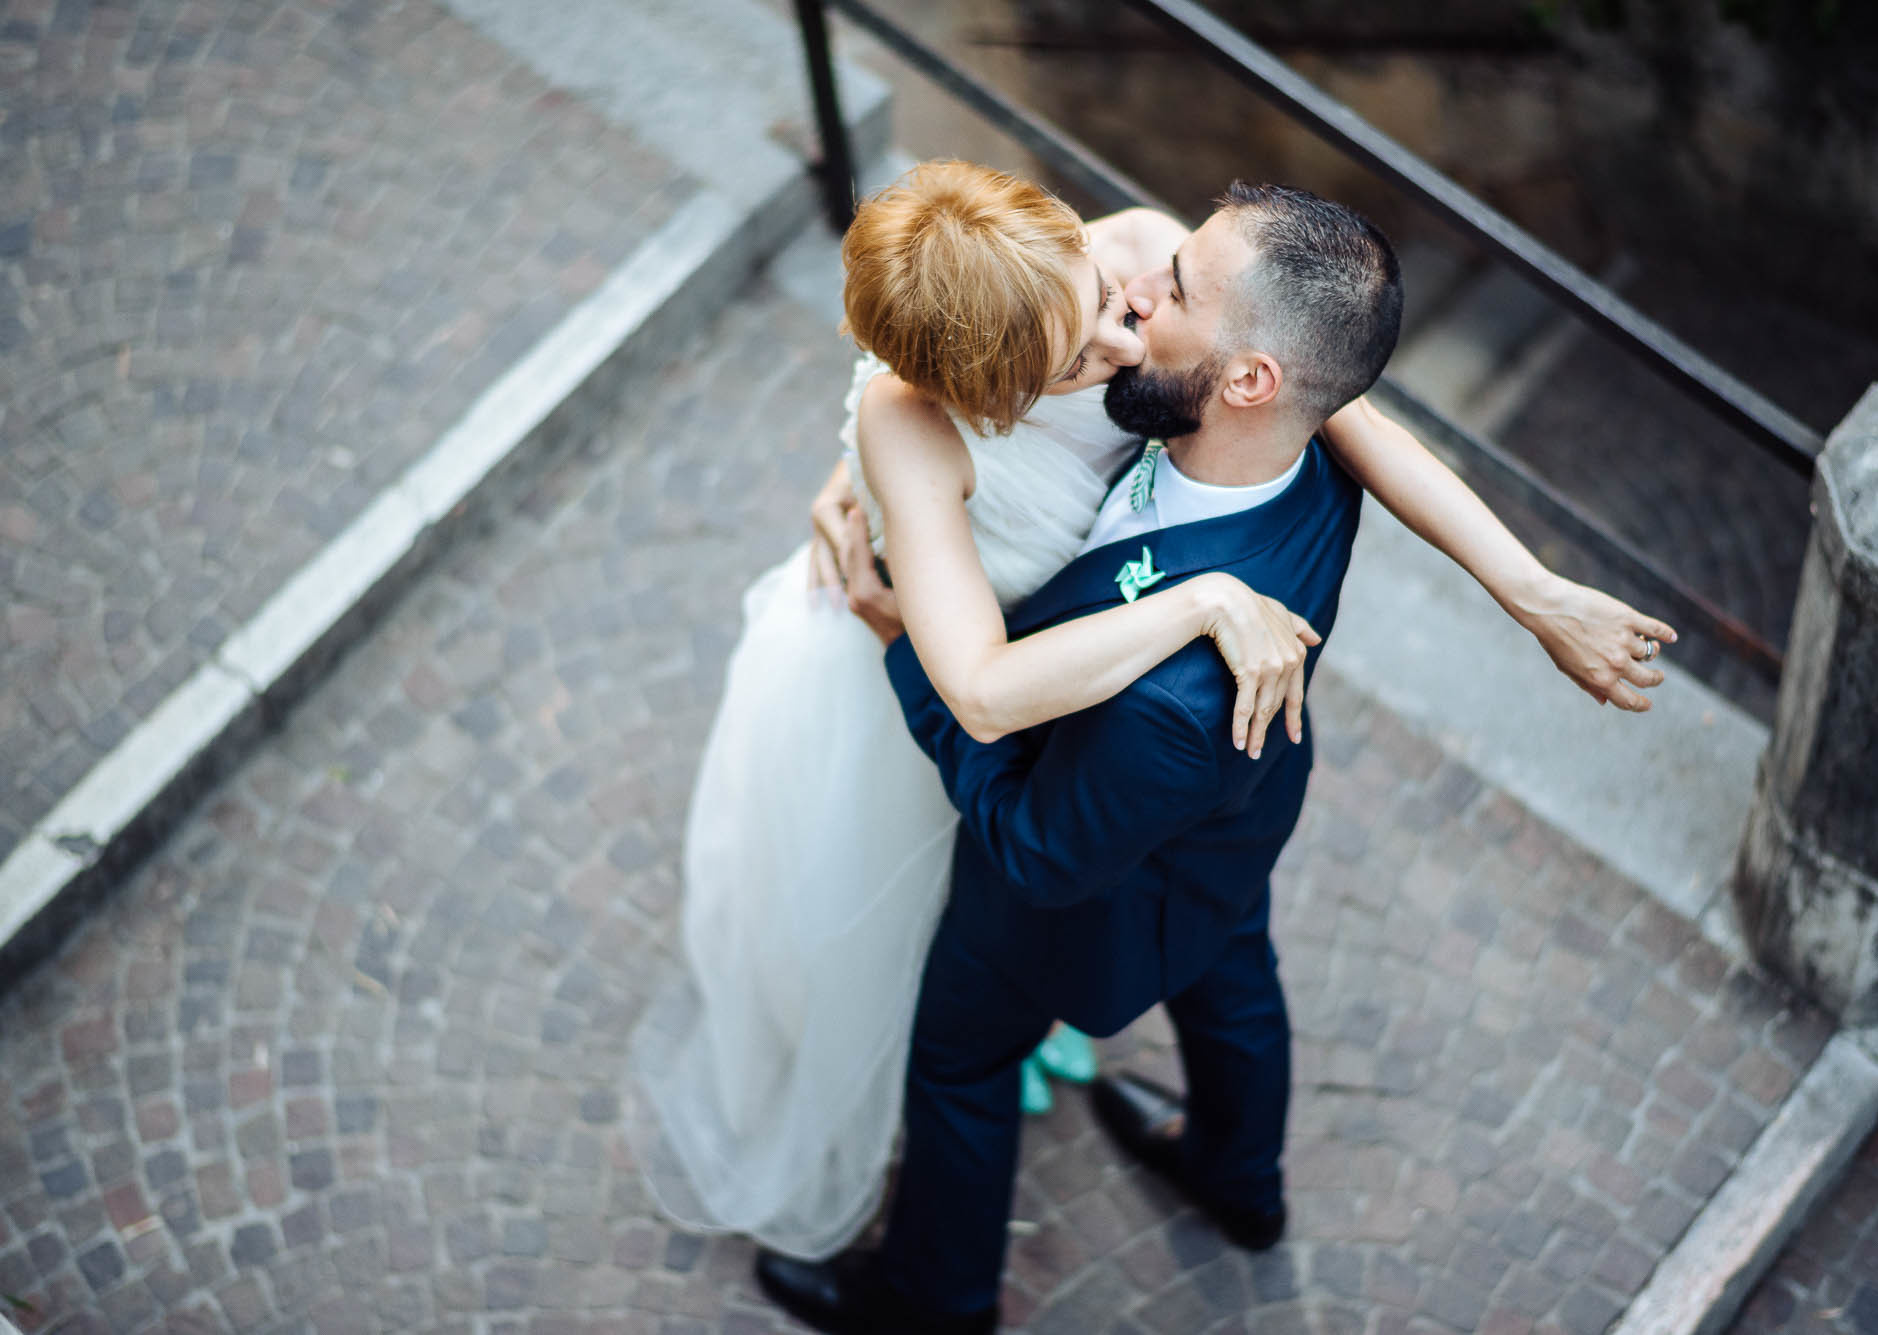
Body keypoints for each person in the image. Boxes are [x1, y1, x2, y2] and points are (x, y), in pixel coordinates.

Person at [629, 162, 1673, 1270]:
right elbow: (977, 663)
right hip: (1189, 778)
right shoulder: (1179, 418)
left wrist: (1530, 590)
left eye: (1125, 300)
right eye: (1076, 358)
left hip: (1130, 797)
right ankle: (1236, 1178)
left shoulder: (1153, 289)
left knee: (973, 1049)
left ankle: (975, 1283)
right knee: (1229, 966)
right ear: (987, 394)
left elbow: (1332, 403)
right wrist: (871, 480)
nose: (1124, 335)